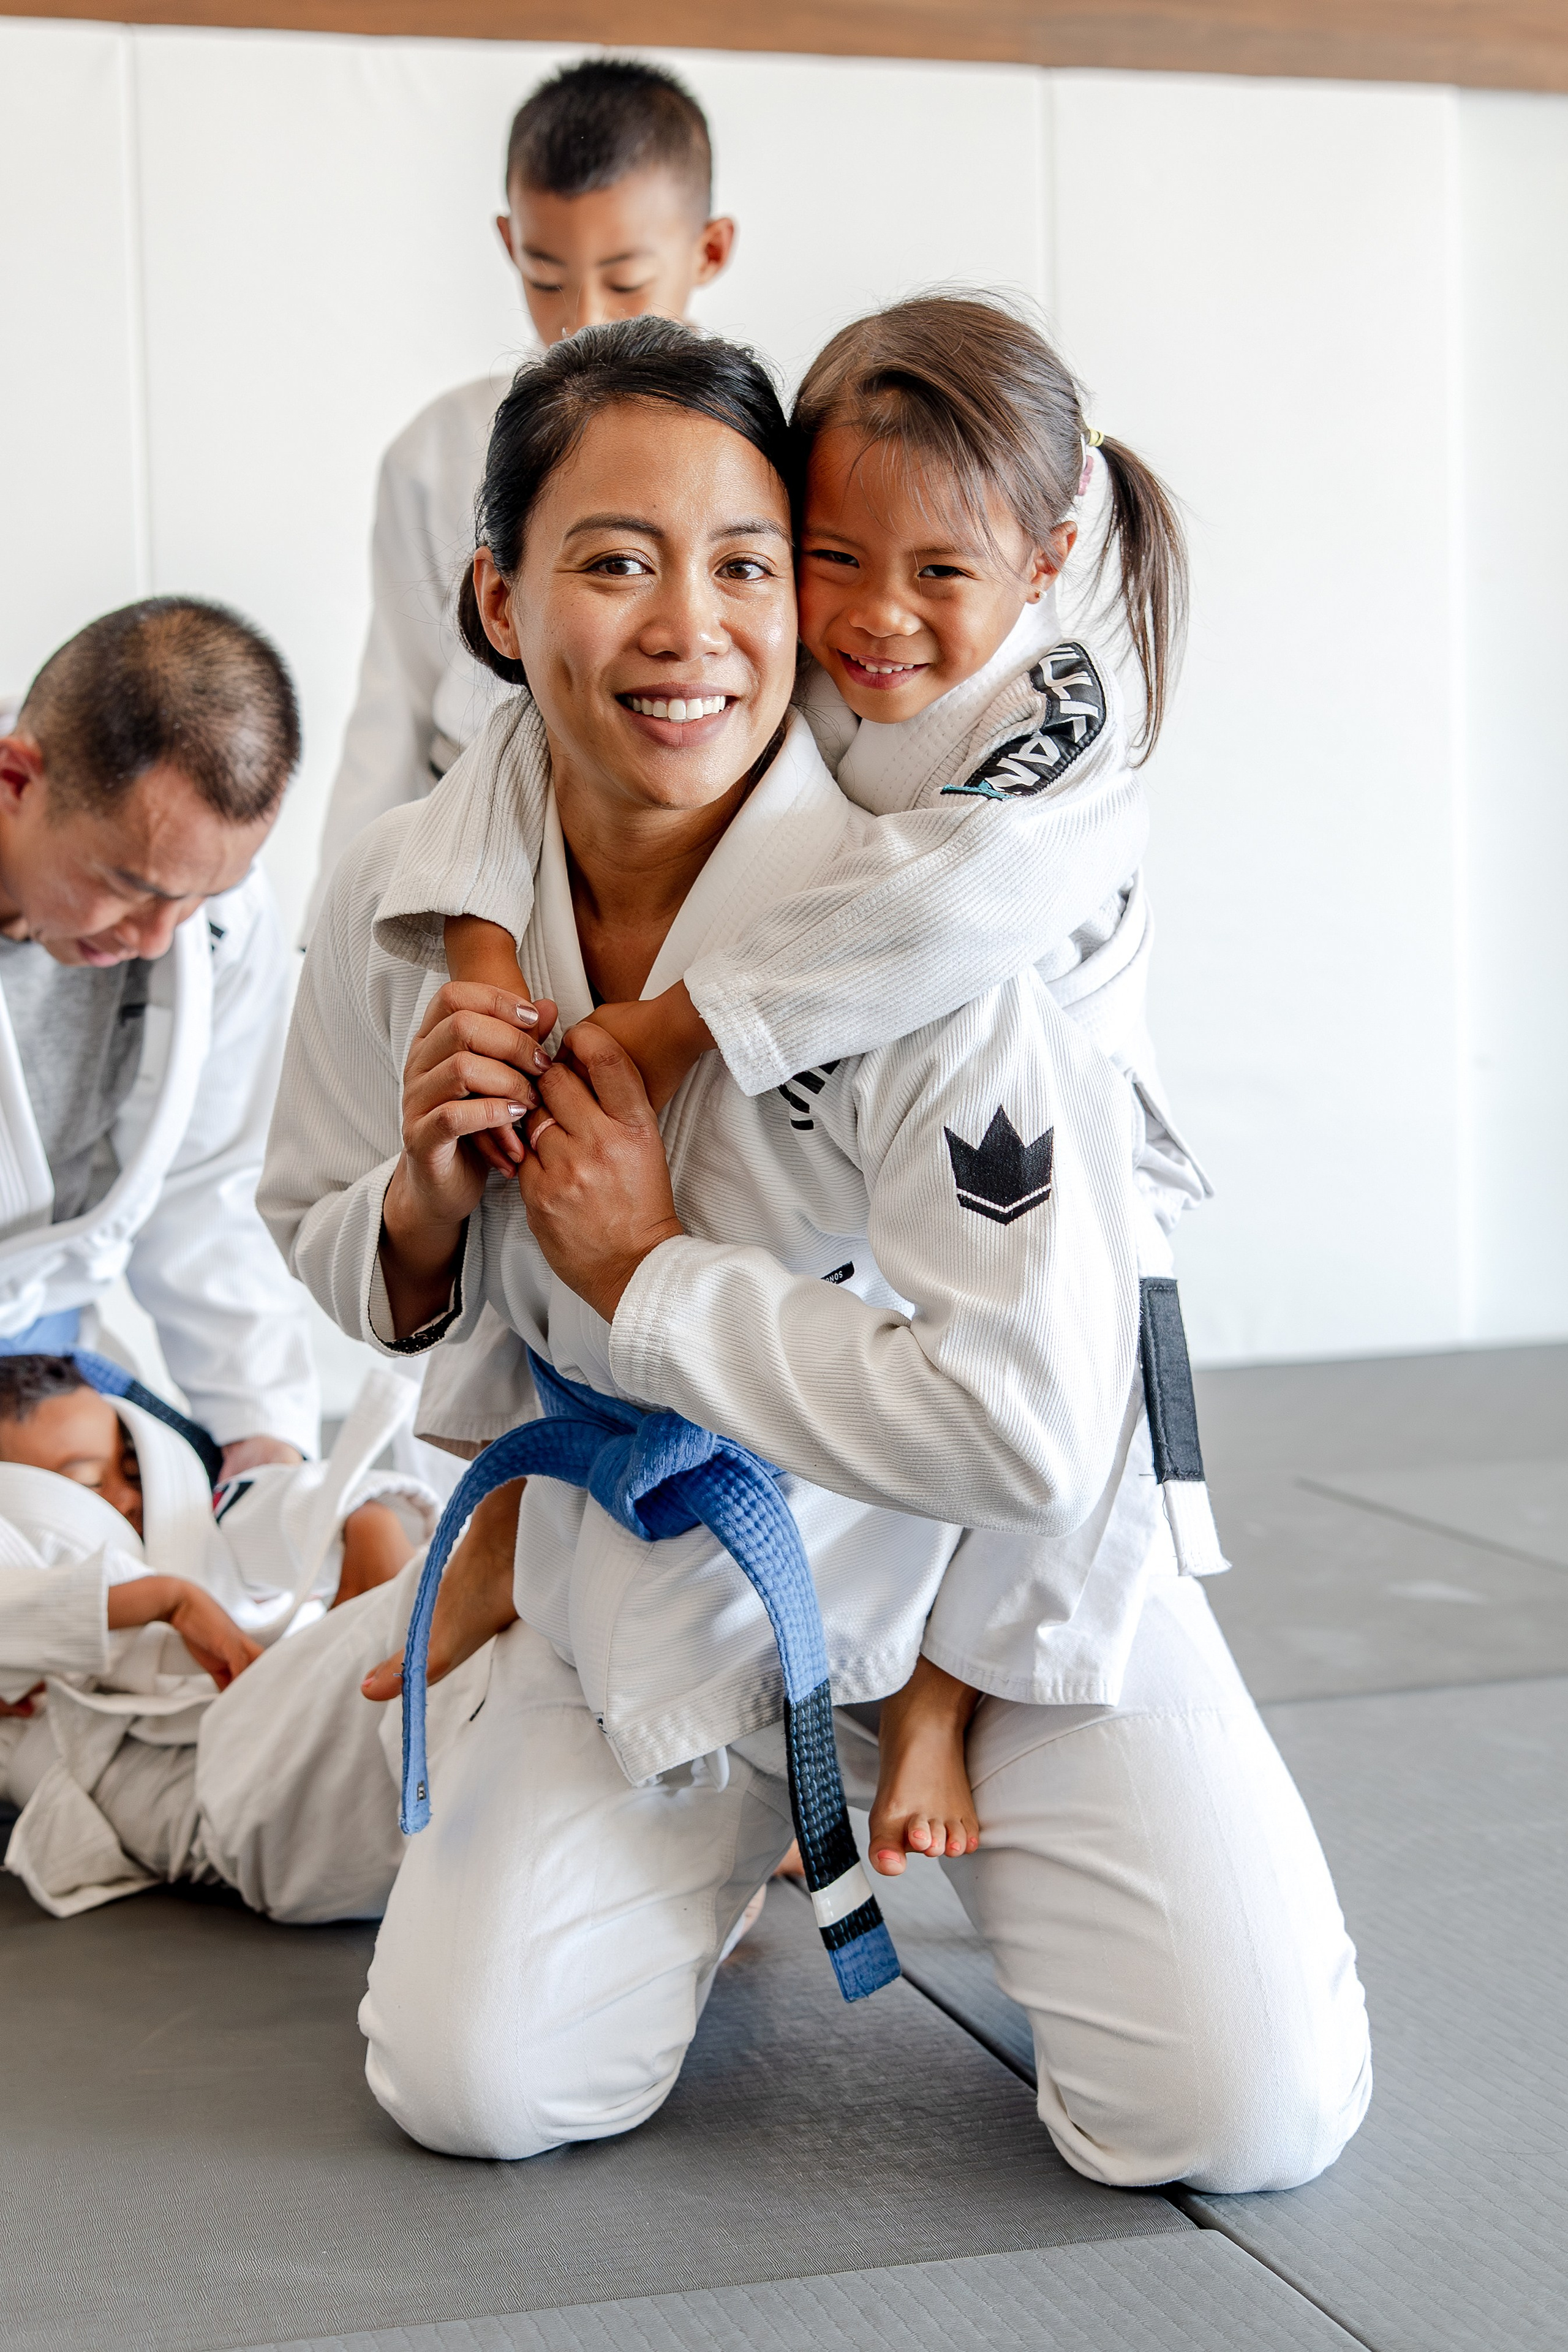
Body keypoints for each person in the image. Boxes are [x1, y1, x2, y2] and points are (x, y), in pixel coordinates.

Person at [262, 319, 1370, 2190]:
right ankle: (632, 1761)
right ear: (496, 593)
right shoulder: (410, 906)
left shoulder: (927, 909)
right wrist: (425, 1202)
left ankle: (926, 1757)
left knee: (1239, 2115)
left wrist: (655, 1279)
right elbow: (316, 1224)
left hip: (981, 1562)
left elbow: (1023, 1425)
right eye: (614, 559)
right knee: (475, 2082)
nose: (691, 624)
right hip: (655, 1563)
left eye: (747, 563)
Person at [398, 292, 1205, 1869]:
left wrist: (678, 1023)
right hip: (848, 1158)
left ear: (1040, 569)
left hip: (1084, 1145)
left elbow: (939, 911)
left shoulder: (1055, 727)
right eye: (830, 557)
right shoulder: (815, 672)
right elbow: (508, 746)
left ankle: (943, 1699)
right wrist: (491, 952)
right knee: (541, 1256)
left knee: (1075, 1413)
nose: (875, 616)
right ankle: (508, 1528)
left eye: (940, 575)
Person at [304, 57, 737, 929]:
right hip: (467, 850)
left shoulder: (757, 445)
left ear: (710, 250)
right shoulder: (434, 451)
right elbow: (392, 702)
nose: (584, 316)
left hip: (686, 840)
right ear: (509, 243)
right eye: (545, 275)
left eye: (625, 279)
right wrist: (334, 929)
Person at [0, 598, 318, 1472]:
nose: (155, 936)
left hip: (44, 1369)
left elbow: (207, 1190)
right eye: (127, 883)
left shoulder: (217, 922)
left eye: (199, 897)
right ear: (17, 780)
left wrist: (266, 1448)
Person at [0, 1349, 445, 1918]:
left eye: (132, 1468)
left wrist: (364, 1515)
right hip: (228, 1806)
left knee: (456, 1595)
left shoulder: (192, 1530)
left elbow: (270, 1507)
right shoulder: (36, 1614)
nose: (127, 1496)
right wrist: (170, 1600)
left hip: (291, 1729)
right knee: (472, 1593)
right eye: (86, 1484)